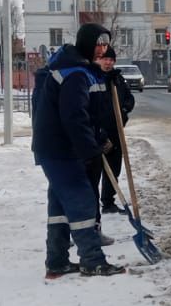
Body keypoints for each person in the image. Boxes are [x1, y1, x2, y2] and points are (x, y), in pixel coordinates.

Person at [30, 22, 124, 279]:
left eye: (106, 44)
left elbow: (90, 113)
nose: (103, 49)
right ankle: (93, 260)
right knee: (82, 201)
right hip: (61, 149)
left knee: (60, 206)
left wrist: (99, 137)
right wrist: (89, 150)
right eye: (99, 43)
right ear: (87, 43)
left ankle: (57, 261)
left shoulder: (78, 67)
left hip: (57, 148)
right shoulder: (75, 73)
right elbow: (74, 117)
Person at [93, 46, 136, 214]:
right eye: (105, 59)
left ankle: (108, 202)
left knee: (114, 166)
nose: (108, 62)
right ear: (99, 60)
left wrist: (125, 110)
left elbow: (129, 99)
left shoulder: (117, 79)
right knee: (97, 168)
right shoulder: (94, 78)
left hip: (116, 130)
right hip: (99, 131)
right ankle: (92, 204)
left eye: (111, 60)